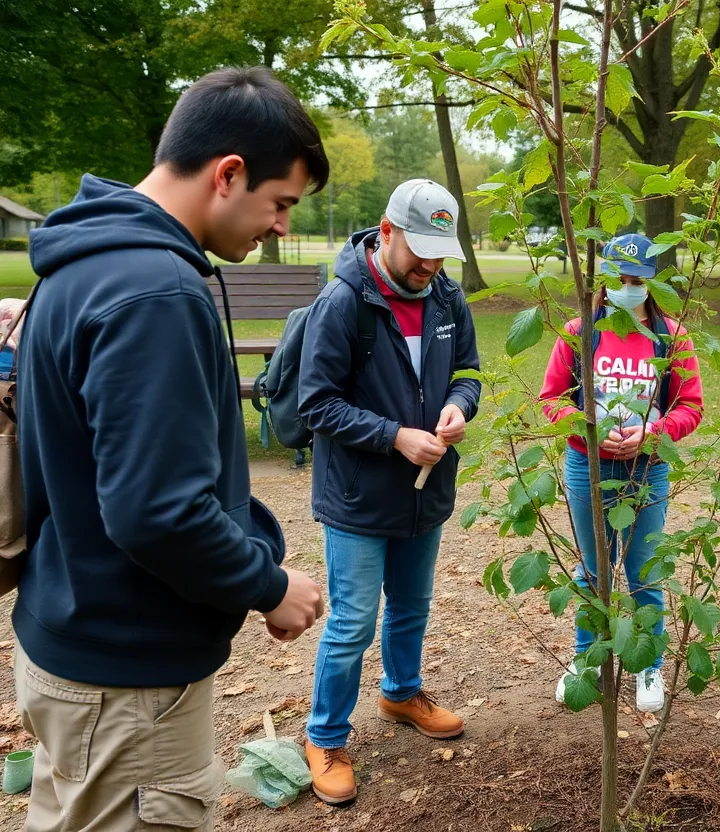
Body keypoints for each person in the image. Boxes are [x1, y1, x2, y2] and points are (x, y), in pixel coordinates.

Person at [14, 66, 328, 831]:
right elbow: (157, 511)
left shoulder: (86, 263)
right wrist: (268, 584)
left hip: (74, 643)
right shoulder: (154, 291)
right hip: (126, 682)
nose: (281, 226)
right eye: (280, 202)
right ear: (228, 173)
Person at [298, 179, 481, 805]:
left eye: (440, 252)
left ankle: (402, 694)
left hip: (424, 494)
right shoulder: (343, 301)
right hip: (357, 495)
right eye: (419, 251)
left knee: (412, 606)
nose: (429, 265)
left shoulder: (448, 298)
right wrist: (394, 436)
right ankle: (324, 737)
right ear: (386, 231)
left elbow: (468, 373)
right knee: (353, 622)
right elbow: (316, 402)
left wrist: (460, 406)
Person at [538, 233, 704, 714]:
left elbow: (690, 406)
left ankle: (647, 662)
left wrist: (652, 434)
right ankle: (587, 658)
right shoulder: (579, 332)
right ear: (602, 280)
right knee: (593, 569)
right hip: (587, 467)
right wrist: (586, 429)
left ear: (652, 284)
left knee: (645, 572)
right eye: (618, 279)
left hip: (646, 471)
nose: (627, 288)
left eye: (637, 281)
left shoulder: (671, 337)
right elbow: (551, 400)